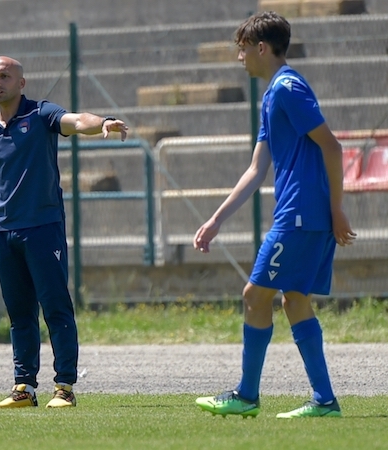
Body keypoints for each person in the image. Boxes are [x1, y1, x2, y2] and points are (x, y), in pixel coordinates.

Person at [193, 11, 357, 419]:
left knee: (255, 295)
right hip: (303, 215)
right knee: (295, 301)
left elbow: (332, 147)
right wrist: (216, 221)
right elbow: (255, 170)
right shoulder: (273, 95)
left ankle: (247, 396)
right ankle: (324, 401)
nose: (240, 58)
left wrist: (336, 209)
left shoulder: (286, 87)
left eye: (243, 49)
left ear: (261, 48)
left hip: (301, 215)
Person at [0, 56, 128, 409]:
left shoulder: (41, 115)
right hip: (5, 232)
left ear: (21, 83)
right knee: (19, 313)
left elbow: (77, 120)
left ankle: (64, 387)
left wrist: (104, 123)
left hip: (43, 228)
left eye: (5, 76)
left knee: (55, 307)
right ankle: (24, 387)